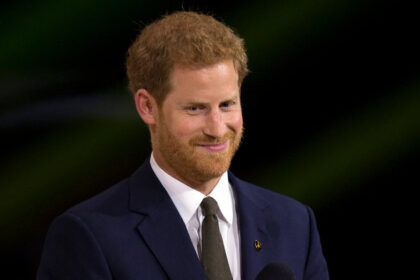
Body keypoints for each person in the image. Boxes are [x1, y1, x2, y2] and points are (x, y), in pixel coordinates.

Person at [37, 11, 329, 280]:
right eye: (195, 109)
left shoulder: (295, 224)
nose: (217, 129)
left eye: (227, 104)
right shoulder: (88, 236)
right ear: (147, 107)